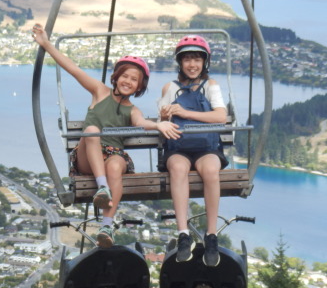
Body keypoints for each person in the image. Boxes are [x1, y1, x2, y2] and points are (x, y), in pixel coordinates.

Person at [32, 23, 180, 248]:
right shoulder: (100, 92)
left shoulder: (133, 110)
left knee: (115, 166)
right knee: (91, 131)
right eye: (125, 76)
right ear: (116, 77)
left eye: (134, 80)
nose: (128, 82)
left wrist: (159, 125)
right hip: (88, 157)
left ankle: (107, 225)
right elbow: (72, 69)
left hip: (114, 156)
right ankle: (102, 187)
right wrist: (46, 44)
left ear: (139, 87)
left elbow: (141, 124)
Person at [158, 35, 229, 267]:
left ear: (204, 62)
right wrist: (165, 115)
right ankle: (183, 233)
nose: (192, 64)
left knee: (210, 170)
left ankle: (211, 235)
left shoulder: (211, 86)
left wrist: (186, 113)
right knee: (178, 168)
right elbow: (162, 118)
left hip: (206, 147)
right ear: (180, 62)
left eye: (197, 59)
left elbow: (221, 116)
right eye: (187, 59)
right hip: (178, 146)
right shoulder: (170, 88)